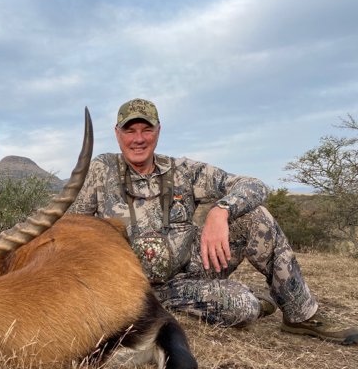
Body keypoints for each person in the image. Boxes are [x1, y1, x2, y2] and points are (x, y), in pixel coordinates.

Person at [69, 98, 357, 344]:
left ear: (158, 131)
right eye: (130, 131)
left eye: (147, 129)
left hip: (193, 268)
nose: (139, 138)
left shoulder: (182, 170)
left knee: (256, 217)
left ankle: (301, 316)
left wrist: (221, 211)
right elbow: (73, 228)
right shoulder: (100, 170)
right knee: (242, 307)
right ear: (117, 133)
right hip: (136, 287)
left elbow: (254, 185)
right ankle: (247, 299)